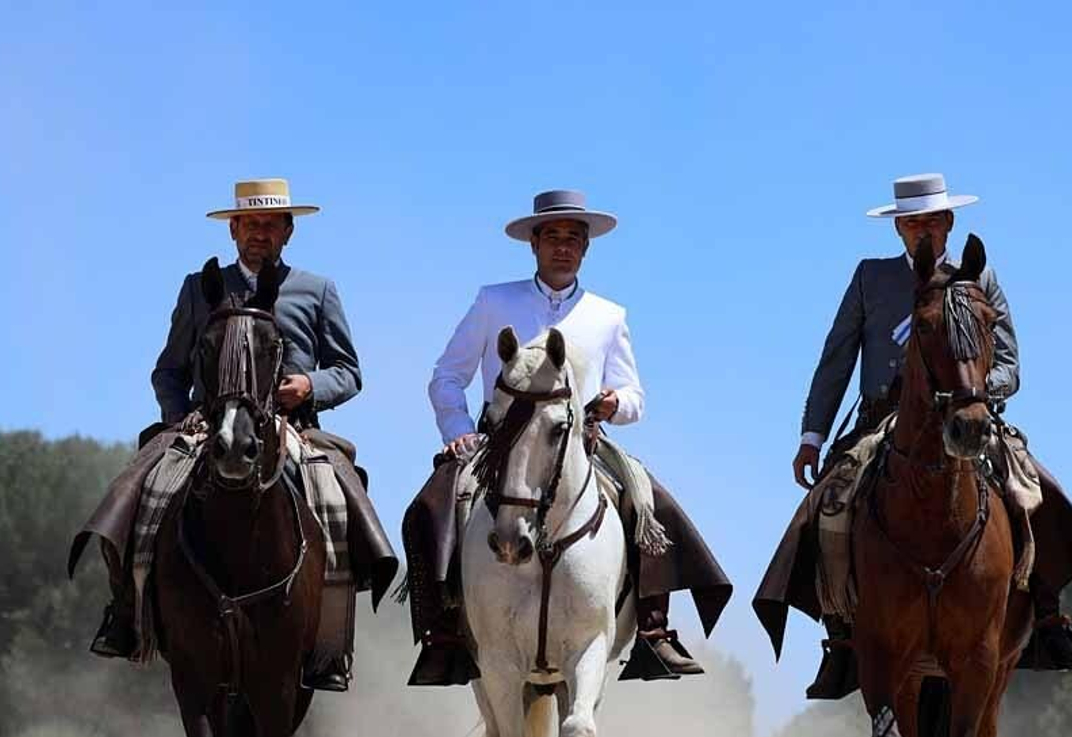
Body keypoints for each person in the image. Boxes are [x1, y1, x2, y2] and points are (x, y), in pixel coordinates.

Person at [754, 173, 1072, 698]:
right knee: (828, 506)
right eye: (913, 221)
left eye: (933, 219)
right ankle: (840, 638)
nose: (923, 229)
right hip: (882, 419)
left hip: (966, 415)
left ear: (949, 223)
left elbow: (1010, 363)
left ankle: (1048, 618)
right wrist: (812, 437)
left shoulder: (978, 278)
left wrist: (969, 392)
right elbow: (836, 361)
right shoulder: (869, 279)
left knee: (1033, 490)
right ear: (899, 228)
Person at [403, 190, 732, 685]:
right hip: (500, 447)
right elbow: (447, 376)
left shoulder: (608, 314)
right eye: (553, 237)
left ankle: (653, 632)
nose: (563, 247)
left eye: (573, 239)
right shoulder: (495, 301)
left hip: (582, 443)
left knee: (649, 502)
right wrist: (460, 434)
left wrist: (613, 404)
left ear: (586, 249)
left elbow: (635, 395)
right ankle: (444, 630)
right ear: (533, 244)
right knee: (433, 504)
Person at [78, 178, 395, 691]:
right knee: (138, 490)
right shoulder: (198, 288)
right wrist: (180, 416)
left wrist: (309, 385)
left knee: (339, 499)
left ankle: (332, 641)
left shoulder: (316, 290)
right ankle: (126, 615)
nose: (259, 233)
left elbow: (348, 371)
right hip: (206, 426)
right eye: (250, 224)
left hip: (293, 428)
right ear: (233, 230)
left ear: (288, 231)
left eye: (271, 224)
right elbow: (169, 371)